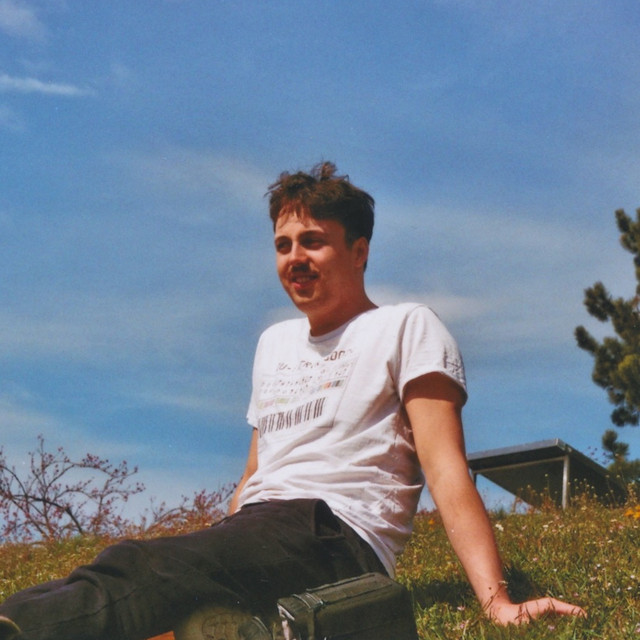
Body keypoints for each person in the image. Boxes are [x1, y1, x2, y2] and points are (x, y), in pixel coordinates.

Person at [0, 162, 585, 639]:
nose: (294, 258)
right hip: (260, 528)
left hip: (335, 533)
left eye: (313, 242)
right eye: (283, 245)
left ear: (359, 251)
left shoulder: (406, 326)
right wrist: (217, 544)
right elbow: (255, 473)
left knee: (139, 567)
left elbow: (445, 468)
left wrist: (497, 601)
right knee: (139, 584)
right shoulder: (273, 343)